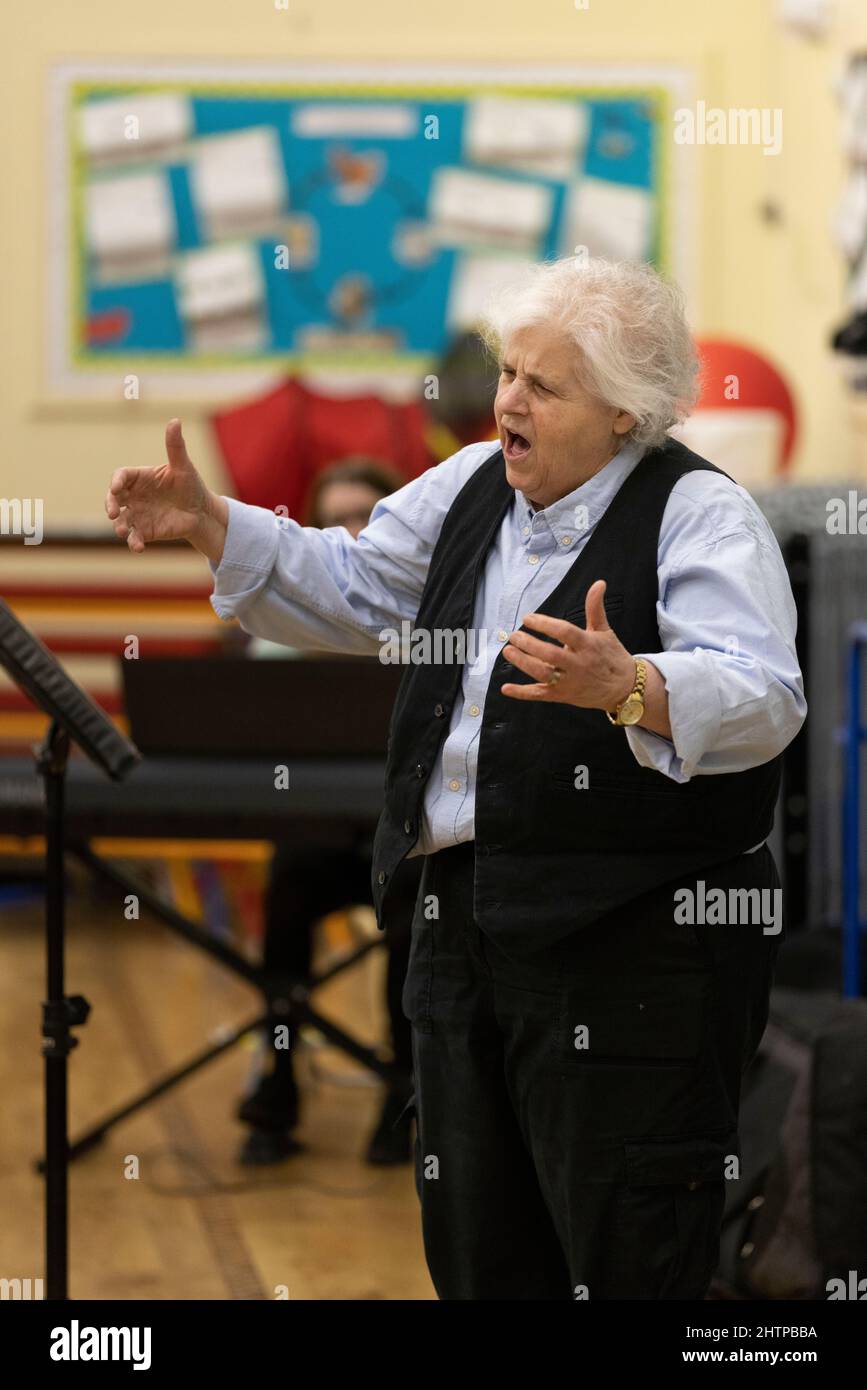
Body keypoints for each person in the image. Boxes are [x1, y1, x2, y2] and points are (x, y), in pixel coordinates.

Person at [105, 256, 807, 1301]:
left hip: (633, 956)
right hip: (463, 933)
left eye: (542, 386)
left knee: (627, 1251)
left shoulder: (700, 513)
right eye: (508, 372)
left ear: (624, 412)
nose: (505, 402)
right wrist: (217, 522)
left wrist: (634, 685)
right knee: (478, 1245)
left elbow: (765, 695)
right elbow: (354, 578)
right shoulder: (475, 484)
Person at [240, 457, 421, 1166]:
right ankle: (278, 1087)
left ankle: (400, 1093)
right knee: (287, 888)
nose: (350, 529)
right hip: (322, 835)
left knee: (415, 913)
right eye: (335, 517)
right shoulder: (285, 622)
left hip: (406, 840)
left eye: (365, 516)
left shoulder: (428, 610)